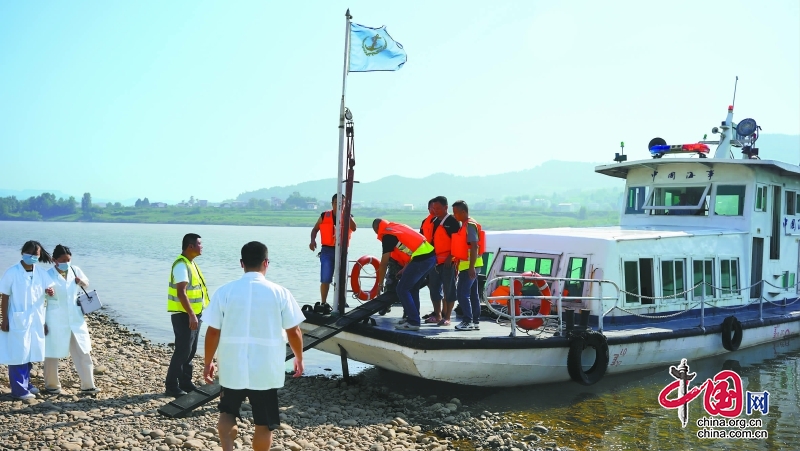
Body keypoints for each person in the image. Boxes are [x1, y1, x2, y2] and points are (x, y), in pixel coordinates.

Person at [203, 241, 305, 451]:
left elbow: (213, 331)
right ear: (266, 263)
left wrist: (208, 362)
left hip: (232, 366)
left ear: (242, 263)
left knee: (227, 412)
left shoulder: (225, 291)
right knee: (264, 424)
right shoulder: (280, 292)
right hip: (265, 369)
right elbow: (294, 331)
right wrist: (299, 358)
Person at [0, 241, 55, 399]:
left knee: (30, 352)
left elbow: (49, 290)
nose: (32, 257)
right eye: (30, 253)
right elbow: (4, 296)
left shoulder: (41, 273)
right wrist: (4, 319)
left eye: (35, 254)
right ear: (23, 253)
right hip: (18, 317)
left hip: (36, 319)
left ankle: (26, 383)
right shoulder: (12, 272)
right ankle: (19, 390)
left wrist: (50, 291)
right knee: (18, 353)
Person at [43, 244, 100, 395]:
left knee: (83, 349)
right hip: (54, 317)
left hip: (75, 317)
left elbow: (86, 283)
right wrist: (46, 292)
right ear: (54, 260)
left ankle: (88, 385)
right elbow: (39, 295)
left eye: (68, 260)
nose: (66, 263)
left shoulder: (75, 269)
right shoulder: (47, 274)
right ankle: (52, 385)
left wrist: (80, 281)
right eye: (63, 260)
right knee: (52, 351)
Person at [165, 233, 209, 397]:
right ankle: (171, 385)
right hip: (184, 314)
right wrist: (191, 314)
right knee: (182, 350)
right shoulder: (181, 265)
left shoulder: (191, 264)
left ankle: (185, 381)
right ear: (190, 246)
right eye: (199, 244)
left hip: (195, 313)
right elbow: (181, 292)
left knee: (191, 350)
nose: (201, 246)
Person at [373, 219, 436, 331]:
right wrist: (406, 268)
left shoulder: (387, 236)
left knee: (402, 289)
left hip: (421, 260)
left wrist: (380, 284)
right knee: (412, 289)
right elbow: (413, 249)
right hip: (430, 257)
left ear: (377, 229)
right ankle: (413, 318)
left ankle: (413, 321)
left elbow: (383, 263)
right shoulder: (397, 228)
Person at [309, 194, 357, 312]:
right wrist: (312, 241)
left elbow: (354, 228)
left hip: (342, 251)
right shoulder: (324, 215)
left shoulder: (348, 216)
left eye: (342, 203)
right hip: (327, 250)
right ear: (332, 203)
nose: (339, 205)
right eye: (337, 203)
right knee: (325, 278)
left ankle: (342, 301)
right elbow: (315, 229)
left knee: (342, 278)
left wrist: (346, 214)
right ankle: (323, 302)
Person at [421, 196, 460, 326]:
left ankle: (447, 317)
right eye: (433, 208)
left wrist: (451, 257)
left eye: (438, 208)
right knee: (434, 289)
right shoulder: (433, 221)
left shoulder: (453, 222)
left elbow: (458, 242)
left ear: (445, 207)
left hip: (448, 262)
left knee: (449, 289)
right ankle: (437, 315)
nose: (435, 210)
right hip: (434, 262)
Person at [451, 201, 485, 331]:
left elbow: (475, 245)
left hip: (470, 267)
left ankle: (468, 321)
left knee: (462, 294)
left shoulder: (470, 225)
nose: (454, 216)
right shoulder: (466, 224)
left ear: (463, 212)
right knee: (473, 294)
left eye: (456, 213)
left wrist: (471, 267)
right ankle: (475, 321)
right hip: (472, 265)